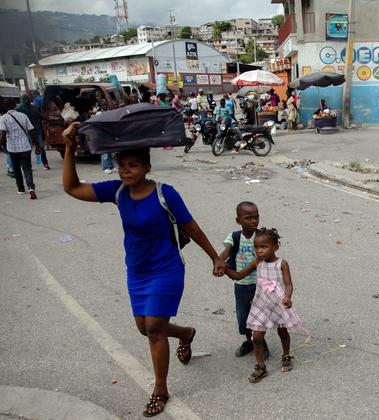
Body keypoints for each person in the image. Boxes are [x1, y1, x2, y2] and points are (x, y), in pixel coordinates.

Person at [62, 122, 227, 416]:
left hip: (166, 269)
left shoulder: (165, 194)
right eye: (122, 166)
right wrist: (70, 149)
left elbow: (192, 227)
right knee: (145, 328)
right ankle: (187, 333)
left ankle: (160, 389)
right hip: (137, 271)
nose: (126, 171)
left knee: (153, 329)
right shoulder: (117, 191)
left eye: (133, 166)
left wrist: (215, 257)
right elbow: (72, 188)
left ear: (147, 167)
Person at [226, 228, 303, 383]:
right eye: (256, 247)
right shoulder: (257, 263)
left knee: (282, 331)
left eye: (263, 247)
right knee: (257, 337)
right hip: (261, 304)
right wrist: (225, 269)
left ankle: (286, 354)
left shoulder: (282, 264)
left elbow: (288, 284)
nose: (259, 251)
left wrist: (287, 297)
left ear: (275, 247)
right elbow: (240, 276)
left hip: (278, 303)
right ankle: (261, 367)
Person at [219, 202, 270, 359]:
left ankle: (260, 342)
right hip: (241, 285)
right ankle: (250, 341)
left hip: (260, 284)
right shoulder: (234, 237)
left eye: (256, 217)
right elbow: (225, 252)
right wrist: (219, 264)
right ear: (238, 220)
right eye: (248, 218)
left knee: (259, 316)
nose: (253, 221)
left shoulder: (261, 236)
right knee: (243, 317)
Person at [0, 98, 42, 200]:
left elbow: (2, 133)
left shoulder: (4, 118)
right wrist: (38, 145)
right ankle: (31, 188)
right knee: (27, 168)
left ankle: (21, 189)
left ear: (6, 107)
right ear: (15, 106)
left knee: (16, 169)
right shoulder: (23, 116)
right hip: (25, 146)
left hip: (12, 148)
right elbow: (32, 131)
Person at [15, 94, 50, 170]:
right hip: (28, 132)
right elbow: (40, 116)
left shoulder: (32, 107)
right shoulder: (19, 109)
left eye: (27, 98)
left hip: (35, 131)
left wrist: (47, 119)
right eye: (25, 99)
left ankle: (44, 163)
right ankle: (31, 166)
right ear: (23, 100)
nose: (27, 100)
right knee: (30, 149)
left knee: (37, 148)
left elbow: (39, 116)